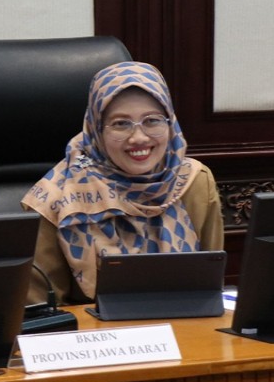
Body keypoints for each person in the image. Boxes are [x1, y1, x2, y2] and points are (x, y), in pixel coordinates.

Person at [21, 61, 224, 305]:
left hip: (183, 330)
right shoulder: (53, 198)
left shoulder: (194, 182)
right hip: (92, 338)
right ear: (97, 129)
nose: (138, 137)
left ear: (170, 123)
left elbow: (210, 285)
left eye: (152, 120)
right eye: (120, 123)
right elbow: (41, 313)